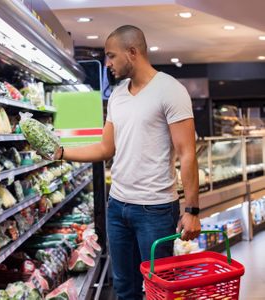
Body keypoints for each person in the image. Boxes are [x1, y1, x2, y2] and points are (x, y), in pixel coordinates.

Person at [54, 25, 201, 300]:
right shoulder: (118, 95)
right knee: (124, 289)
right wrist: (60, 152)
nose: (107, 63)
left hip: (155, 210)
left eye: (111, 56)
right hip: (118, 207)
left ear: (132, 52)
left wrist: (192, 209)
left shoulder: (170, 90)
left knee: (158, 290)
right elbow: (104, 147)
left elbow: (187, 153)